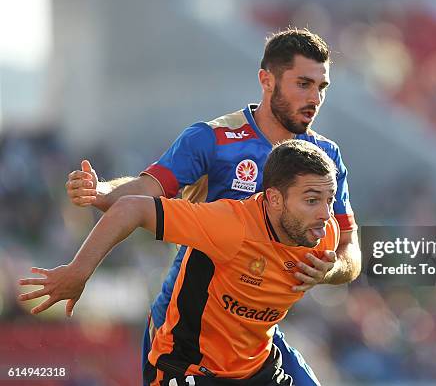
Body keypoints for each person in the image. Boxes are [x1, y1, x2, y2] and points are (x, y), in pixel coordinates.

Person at [64, 28, 361, 385]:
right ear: (267, 80)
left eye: (321, 87)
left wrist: (333, 269)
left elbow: (349, 248)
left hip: (256, 333)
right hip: (189, 328)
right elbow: (146, 191)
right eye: (303, 84)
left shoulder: (325, 158)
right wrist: (101, 190)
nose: (314, 97)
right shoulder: (214, 139)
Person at [20, 140, 340, 385]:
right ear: (274, 199)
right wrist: (79, 272)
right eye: (311, 200)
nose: (325, 213)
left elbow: (347, 263)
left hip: (256, 370)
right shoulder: (231, 226)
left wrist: (332, 269)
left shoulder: (322, 233)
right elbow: (131, 208)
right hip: (188, 368)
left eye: (329, 199)